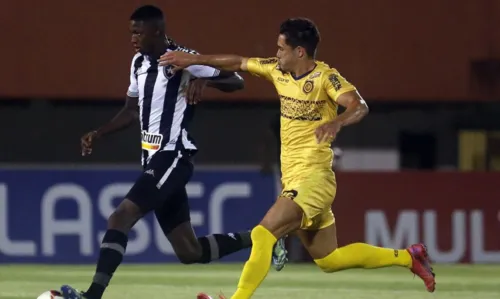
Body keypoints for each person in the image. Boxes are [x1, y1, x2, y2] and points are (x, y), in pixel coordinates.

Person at [160, 17, 436, 299]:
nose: (277, 53)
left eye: (281, 48)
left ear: (299, 52)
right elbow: (238, 62)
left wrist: (337, 122)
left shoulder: (325, 78)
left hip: (314, 179)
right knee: (330, 259)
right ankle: (408, 257)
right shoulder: (276, 71)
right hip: (295, 179)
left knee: (262, 233)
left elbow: (358, 105)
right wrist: (193, 60)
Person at [59, 5, 287, 299]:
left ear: (157, 31)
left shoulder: (183, 58)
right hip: (154, 161)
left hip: (173, 154)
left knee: (120, 217)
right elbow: (131, 110)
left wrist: (202, 78)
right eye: (131, 33)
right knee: (189, 251)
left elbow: (237, 80)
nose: (133, 38)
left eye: (138, 33)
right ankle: (266, 238)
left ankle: (92, 295)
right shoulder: (138, 63)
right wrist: (99, 133)